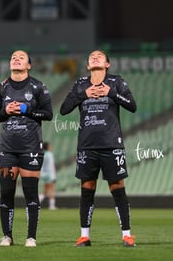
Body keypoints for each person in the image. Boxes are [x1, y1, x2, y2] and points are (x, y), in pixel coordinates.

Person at [60, 50, 137, 247]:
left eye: (99, 56)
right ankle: (84, 236)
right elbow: (64, 109)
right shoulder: (80, 84)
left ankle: (127, 235)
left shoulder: (116, 82)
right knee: (87, 189)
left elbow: (132, 105)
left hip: (111, 143)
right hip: (87, 145)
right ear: (87, 66)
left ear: (107, 64)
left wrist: (110, 93)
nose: (94, 57)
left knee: (117, 188)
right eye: (91, 56)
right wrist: (83, 94)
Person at [0, 50, 53, 247]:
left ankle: (31, 237)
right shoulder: (1, 88)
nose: (16, 59)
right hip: (7, 149)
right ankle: (7, 236)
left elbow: (49, 114)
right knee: (6, 192)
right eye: (13, 57)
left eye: (21, 58)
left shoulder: (38, 87)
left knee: (30, 193)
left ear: (28, 65)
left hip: (31, 148)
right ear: (10, 63)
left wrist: (28, 110)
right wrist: (5, 111)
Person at [39, 142, 57, 210]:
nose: (51, 147)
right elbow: (51, 166)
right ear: (48, 147)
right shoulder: (50, 154)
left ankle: (37, 202)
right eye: (50, 146)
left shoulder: (43, 154)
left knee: (45, 191)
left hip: (44, 174)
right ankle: (52, 206)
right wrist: (53, 176)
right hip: (50, 174)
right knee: (52, 190)